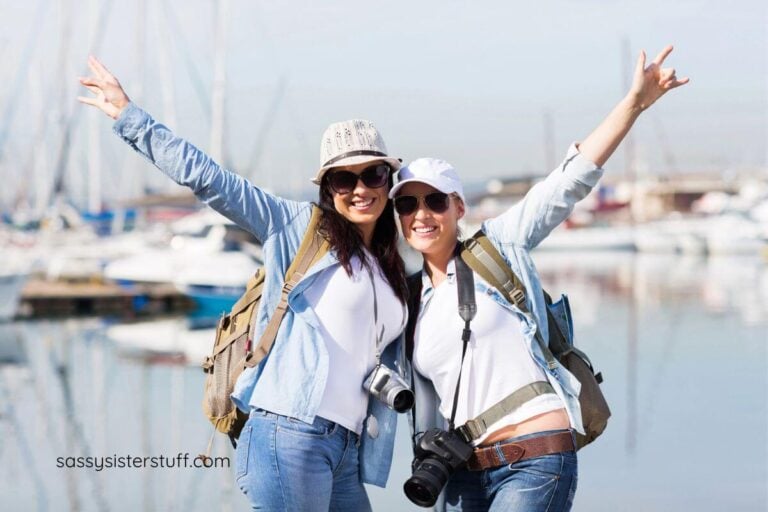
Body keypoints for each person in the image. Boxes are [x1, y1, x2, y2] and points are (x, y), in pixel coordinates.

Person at [78, 56, 409, 511]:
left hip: (348, 447)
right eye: (343, 178)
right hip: (290, 432)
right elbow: (211, 180)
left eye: (373, 174)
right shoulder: (296, 226)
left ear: (389, 179)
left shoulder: (387, 265)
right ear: (326, 187)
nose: (360, 189)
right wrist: (131, 117)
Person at [391, 46, 688, 511]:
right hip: (464, 474)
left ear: (458, 207)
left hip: (536, 457)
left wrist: (633, 104)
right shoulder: (410, 299)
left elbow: (569, 181)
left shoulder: (498, 245)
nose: (421, 214)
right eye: (407, 204)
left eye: (435, 201)